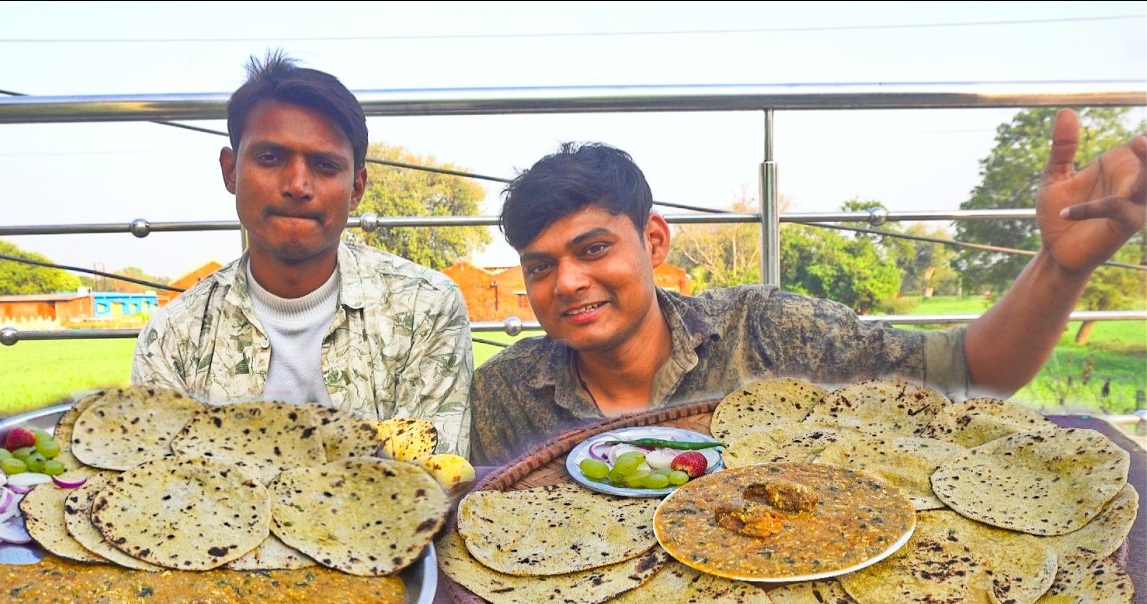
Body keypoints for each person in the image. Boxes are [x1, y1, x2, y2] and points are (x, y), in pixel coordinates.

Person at [469, 108, 1147, 466]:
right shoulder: (504, 393)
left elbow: (970, 371)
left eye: (593, 250)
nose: (569, 282)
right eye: (540, 266)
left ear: (652, 241)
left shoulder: (765, 331)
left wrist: (1061, 267)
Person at [132, 51, 473, 455]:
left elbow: (433, 482)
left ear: (356, 189)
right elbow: (160, 494)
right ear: (231, 171)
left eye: (325, 165)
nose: (297, 184)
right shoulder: (173, 337)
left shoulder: (425, 308)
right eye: (270, 158)